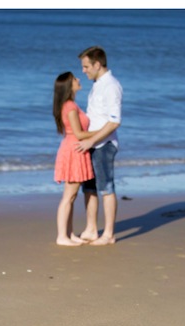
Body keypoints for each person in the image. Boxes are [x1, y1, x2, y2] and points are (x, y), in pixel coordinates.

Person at [74, 46, 123, 245]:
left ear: (97, 64)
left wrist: (91, 141)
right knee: (89, 188)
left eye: (86, 67)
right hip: (91, 144)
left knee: (106, 188)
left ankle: (109, 234)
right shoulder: (98, 84)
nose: (83, 71)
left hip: (104, 145)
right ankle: (91, 229)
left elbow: (114, 121)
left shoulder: (111, 86)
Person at [52, 72, 96, 245]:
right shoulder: (70, 106)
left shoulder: (70, 105)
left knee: (71, 196)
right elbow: (78, 133)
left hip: (74, 148)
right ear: (69, 86)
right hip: (74, 149)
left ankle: (69, 234)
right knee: (68, 196)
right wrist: (104, 131)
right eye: (75, 79)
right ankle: (62, 236)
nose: (79, 80)